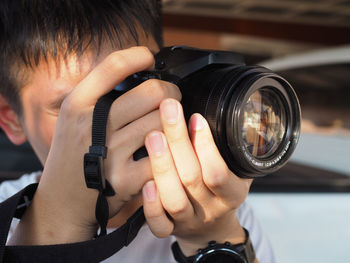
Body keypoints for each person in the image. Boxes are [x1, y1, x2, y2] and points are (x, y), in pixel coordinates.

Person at [0, 0, 275, 262]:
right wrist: (59, 218)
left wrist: (214, 239)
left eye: (135, 88)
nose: (119, 120)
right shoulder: (7, 218)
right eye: (72, 109)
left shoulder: (215, 207)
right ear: (11, 119)